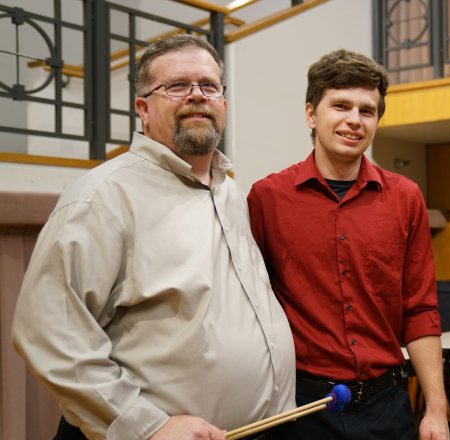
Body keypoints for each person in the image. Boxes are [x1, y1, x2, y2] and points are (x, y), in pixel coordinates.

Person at [12, 34, 295, 440]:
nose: (197, 96)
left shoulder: (229, 191)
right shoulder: (101, 198)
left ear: (224, 103)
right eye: (177, 86)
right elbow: (49, 332)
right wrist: (148, 426)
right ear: (143, 109)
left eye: (209, 85)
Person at [247, 49, 450, 440]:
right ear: (311, 113)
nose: (354, 120)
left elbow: (421, 309)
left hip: (388, 405)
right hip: (303, 410)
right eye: (340, 105)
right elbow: (251, 306)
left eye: (367, 110)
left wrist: (436, 410)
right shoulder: (266, 198)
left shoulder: (406, 197)